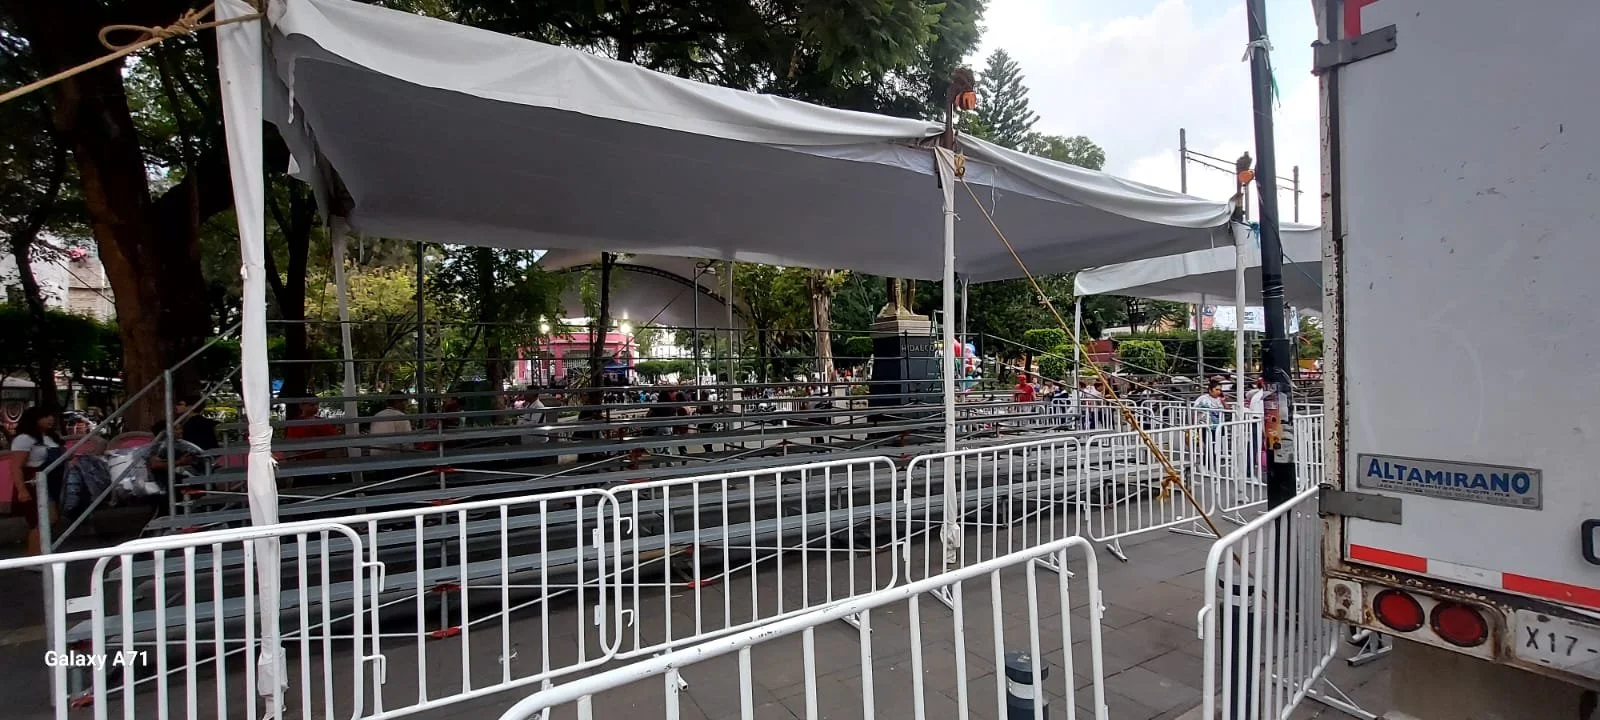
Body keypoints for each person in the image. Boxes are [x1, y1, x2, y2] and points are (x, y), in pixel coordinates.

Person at [11, 407, 63, 559]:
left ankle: (42, 553)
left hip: (52, 482)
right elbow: (16, 466)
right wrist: (21, 489)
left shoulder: (50, 437)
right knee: (39, 521)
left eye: (51, 416)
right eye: (45, 416)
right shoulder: (24, 439)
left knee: (52, 518)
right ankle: (33, 556)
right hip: (34, 483)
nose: (50, 420)